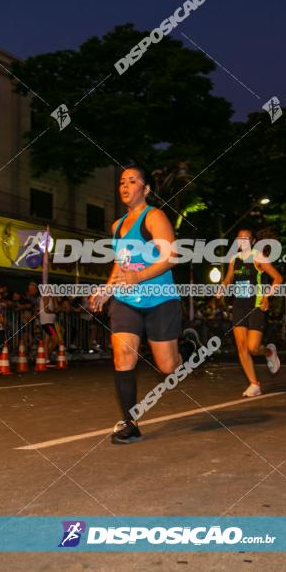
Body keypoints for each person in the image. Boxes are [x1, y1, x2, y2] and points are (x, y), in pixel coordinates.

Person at [90, 166, 181, 444]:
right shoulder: (116, 226)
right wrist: (107, 290)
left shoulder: (154, 216)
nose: (125, 186)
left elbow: (172, 256)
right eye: (121, 182)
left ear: (146, 189)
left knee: (167, 367)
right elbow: (120, 264)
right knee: (122, 357)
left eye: (132, 181)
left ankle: (186, 349)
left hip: (159, 299)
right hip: (126, 300)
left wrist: (139, 276)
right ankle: (130, 423)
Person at [220, 229, 283, 398]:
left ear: (253, 240)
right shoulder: (234, 259)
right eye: (239, 238)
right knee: (241, 347)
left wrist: (267, 297)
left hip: (256, 305)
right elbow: (228, 278)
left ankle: (269, 352)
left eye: (246, 238)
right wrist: (222, 287)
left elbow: (278, 278)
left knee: (253, 348)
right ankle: (254, 384)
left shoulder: (258, 257)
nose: (242, 241)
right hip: (239, 306)